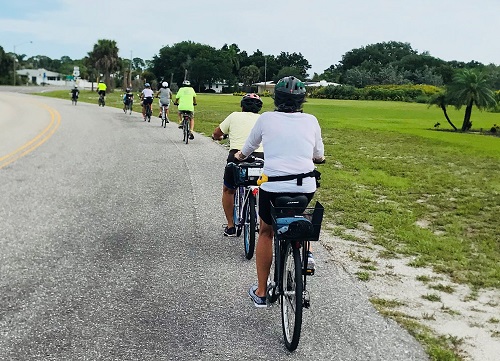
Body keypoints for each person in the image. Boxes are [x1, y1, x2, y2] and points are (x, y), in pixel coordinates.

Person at [234, 76, 325, 307]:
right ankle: (306, 254)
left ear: (276, 98)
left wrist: (239, 157)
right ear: (302, 100)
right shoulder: (311, 120)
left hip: (273, 185)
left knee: (266, 232)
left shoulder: (266, 119)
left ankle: (262, 292)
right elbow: (318, 154)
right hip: (304, 185)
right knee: (300, 217)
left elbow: (248, 148)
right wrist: (317, 159)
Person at [212, 93, 264, 237]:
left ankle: (230, 226)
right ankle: (262, 224)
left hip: (237, 157)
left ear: (242, 106)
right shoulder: (262, 119)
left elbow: (217, 132)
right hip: (260, 157)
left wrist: (217, 137)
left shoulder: (234, 116)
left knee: (228, 190)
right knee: (265, 190)